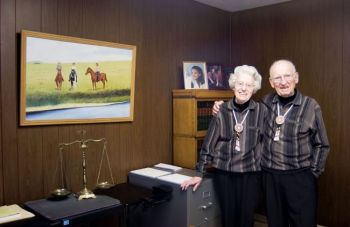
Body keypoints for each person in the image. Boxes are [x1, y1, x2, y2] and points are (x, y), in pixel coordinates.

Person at [213, 59, 330, 227]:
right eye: (277, 78)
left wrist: (312, 174)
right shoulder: (265, 103)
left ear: (296, 78)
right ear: (271, 82)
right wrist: (220, 107)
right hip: (269, 177)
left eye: (287, 76)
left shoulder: (310, 106)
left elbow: (322, 144)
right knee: (275, 223)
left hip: (299, 177)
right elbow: (241, 114)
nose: (283, 82)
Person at [181, 65, 266, 227]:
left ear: (254, 88)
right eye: (240, 84)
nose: (243, 88)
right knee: (228, 218)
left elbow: (268, 142)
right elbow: (209, 143)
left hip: (251, 175)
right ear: (234, 85)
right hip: (225, 174)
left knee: (246, 219)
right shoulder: (222, 110)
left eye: (248, 85)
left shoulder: (262, 111)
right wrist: (199, 173)